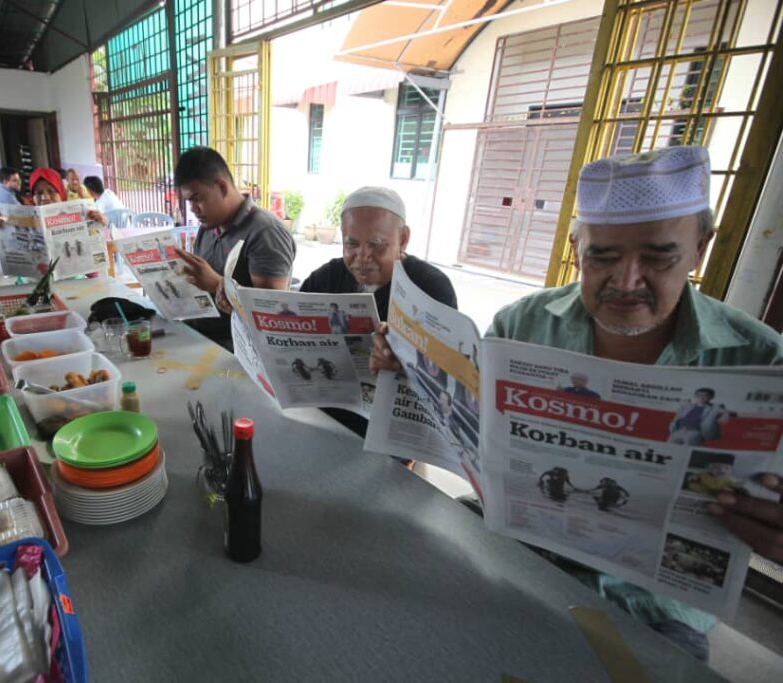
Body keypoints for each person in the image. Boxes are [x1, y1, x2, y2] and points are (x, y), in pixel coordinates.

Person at [371, 145, 783, 662]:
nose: (626, 281)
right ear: (575, 246)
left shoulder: (762, 362)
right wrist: (408, 371)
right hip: (511, 545)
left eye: (659, 256)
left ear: (701, 246)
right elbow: (466, 439)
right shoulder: (522, 326)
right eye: (602, 257)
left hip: (653, 603)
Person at [171, 147, 296, 349]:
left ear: (221, 187)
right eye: (189, 201)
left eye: (197, 198)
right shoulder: (208, 228)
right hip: (199, 337)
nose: (193, 210)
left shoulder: (265, 232)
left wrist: (217, 284)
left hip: (238, 351)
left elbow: (273, 314)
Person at [301, 186, 457, 322]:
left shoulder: (430, 288)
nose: (362, 256)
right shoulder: (326, 279)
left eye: (376, 244)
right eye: (352, 244)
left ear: (403, 239)